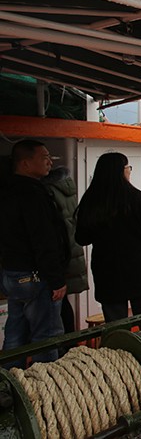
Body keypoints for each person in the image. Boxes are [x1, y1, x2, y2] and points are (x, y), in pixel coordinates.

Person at [0, 140, 68, 368]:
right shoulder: (32, 194)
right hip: (36, 275)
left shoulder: (6, 191)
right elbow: (43, 239)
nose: (50, 162)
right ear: (26, 163)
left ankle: (9, 381)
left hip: (12, 274)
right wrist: (56, 279)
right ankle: (44, 383)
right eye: (44, 157)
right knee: (46, 337)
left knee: (15, 334)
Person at [75, 153, 141, 322]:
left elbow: (82, 239)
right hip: (140, 267)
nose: (129, 171)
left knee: (116, 325)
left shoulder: (90, 200)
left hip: (107, 270)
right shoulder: (136, 197)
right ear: (121, 171)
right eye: (128, 168)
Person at [42, 166, 89, 333]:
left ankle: (65, 343)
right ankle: (70, 342)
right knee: (62, 304)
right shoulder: (66, 187)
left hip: (56, 254)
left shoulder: (46, 191)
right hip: (70, 251)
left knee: (55, 306)